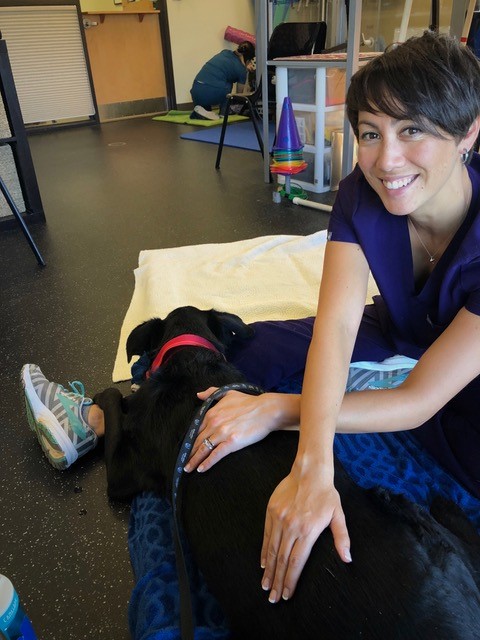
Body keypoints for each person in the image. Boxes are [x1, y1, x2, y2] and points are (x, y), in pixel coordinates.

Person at [21, 30, 480, 620]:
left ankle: (100, 417)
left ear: (468, 131)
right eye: (371, 133)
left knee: (440, 438)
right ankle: (101, 417)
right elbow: (336, 328)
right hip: (398, 330)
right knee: (244, 355)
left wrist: (283, 416)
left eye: (412, 129)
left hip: (454, 370)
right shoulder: (361, 194)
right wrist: (305, 440)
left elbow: (418, 399)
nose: (386, 159)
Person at [190, 41, 255, 121]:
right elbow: (240, 94)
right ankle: (224, 113)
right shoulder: (241, 69)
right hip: (209, 93)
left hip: (195, 91)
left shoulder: (225, 52)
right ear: (248, 59)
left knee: (221, 77)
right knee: (228, 83)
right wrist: (247, 72)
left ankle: (202, 110)